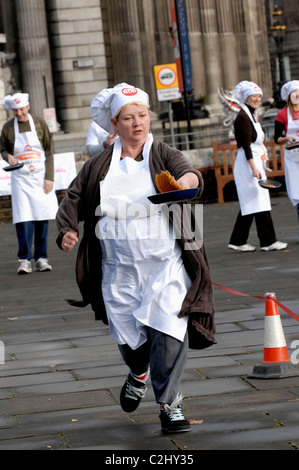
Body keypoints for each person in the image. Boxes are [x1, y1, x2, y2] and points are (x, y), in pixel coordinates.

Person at [56, 82, 216, 434]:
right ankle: (137, 372)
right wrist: (68, 229)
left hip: (165, 264)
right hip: (119, 270)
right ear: (115, 124)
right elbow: (73, 197)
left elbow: (190, 174)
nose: (137, 123)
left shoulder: (163, 154)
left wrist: (182, 185)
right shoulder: (99, 164)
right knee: (130, 340)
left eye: (142, 115)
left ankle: (169, 406)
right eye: (128, 118)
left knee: (169, 331)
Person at [1, 93, 58, 274]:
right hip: (21, 179)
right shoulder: (8, 127)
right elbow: (2, 148)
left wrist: (50, 177)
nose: (18, 113)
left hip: (40, 178)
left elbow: (49, 151)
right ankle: (25, 259)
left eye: (21, 109)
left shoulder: (40, 123)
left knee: (42, 216)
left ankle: (41, 258)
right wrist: (7, 156)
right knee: (23, 218)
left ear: (28, 107)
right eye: (15, 110)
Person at [228, 81, 287, 252]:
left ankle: (238, 240)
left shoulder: (250, 115)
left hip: (253, 161)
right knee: (257, 200)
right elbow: (245, 145)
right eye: (254, 96)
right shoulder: (243, 118)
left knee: (253, 201)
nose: (257, 99)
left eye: (259, 96)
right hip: (249, 163)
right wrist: (254, 167)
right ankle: (268, 240)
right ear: (246, 97)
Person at [274, 80, 299, 223]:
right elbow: (277, 138)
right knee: (298, 193)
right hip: (293, 157)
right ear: (289, 96)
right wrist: (286, 138)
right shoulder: (282, 114)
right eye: (294, 93)